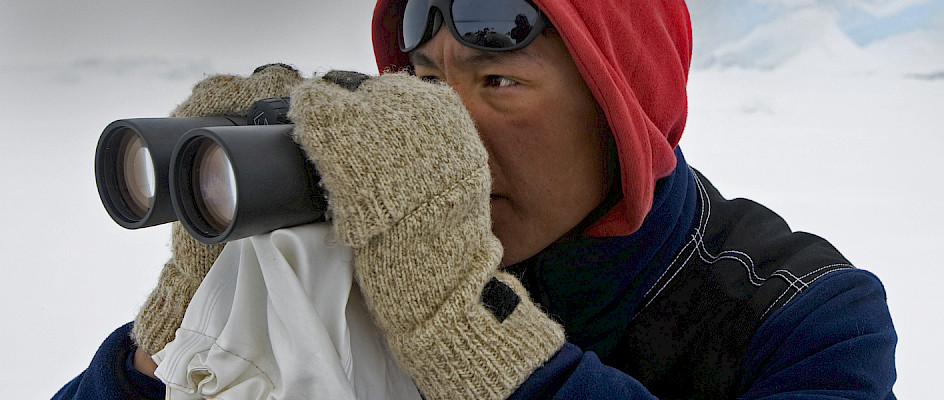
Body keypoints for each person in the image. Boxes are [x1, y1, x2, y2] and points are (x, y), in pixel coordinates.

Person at [55, 0, 898, 399]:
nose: (446, 132)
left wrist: (469, 331)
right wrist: (172, 329)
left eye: (499, 82)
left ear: (623, 113)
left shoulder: (802, 316)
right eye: (422, 84)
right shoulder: (365, 257)